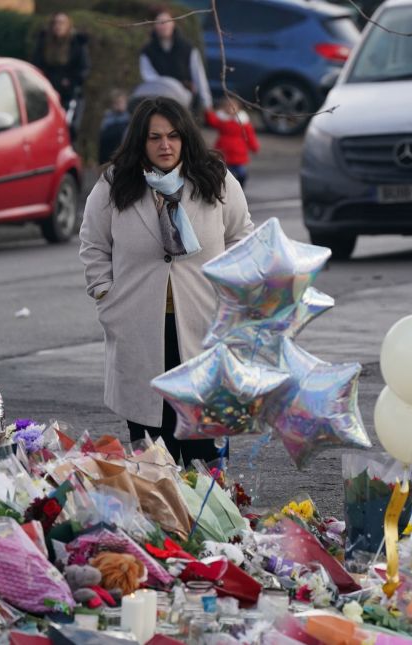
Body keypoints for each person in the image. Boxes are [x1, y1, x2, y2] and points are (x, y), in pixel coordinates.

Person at [80, 97, 253, 466]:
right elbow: (93, 244)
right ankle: (164, 519)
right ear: (140, 141)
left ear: (185, 137)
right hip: (141, 330)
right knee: (153, 457)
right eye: (155, 137)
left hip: (205, 327)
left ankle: (209, 520)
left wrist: (232, 294)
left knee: (205, 454)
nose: (165, 145)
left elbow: (242, 237)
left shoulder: (215, 178)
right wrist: (105, 295)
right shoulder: (114, 185)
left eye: (173, 136)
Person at [140, 7, 213, 114]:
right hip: (159, 101)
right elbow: (149, 77)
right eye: (159, 22)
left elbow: (199, 76)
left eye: (166, 22)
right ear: (154, 25)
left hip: (186, 102)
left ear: (173, 23)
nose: (163, 25)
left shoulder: (188, 48)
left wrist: (207, 104)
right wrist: (168, 88)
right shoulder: (147, 51)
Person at [33, 12, 90, 140]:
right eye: (55, 23)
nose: (58, 26)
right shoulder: (44, 43)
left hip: (69, 94)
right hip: (47, 91)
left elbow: (83, 68)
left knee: (68, 128)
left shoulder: (77, 44)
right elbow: (37, 65)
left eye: (62, 23)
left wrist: (71, 82)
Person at [206, 96, 260, 188]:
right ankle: (223, 188)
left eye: (232, 106)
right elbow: (212, 121)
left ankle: (240, 186)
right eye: (227, 106)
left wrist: (254, 147)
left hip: (238, 152)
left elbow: (250, 136)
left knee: (241, 172)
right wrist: (208, 111)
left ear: (238, 108)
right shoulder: (222, 120)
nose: (229, 108)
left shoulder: (243, 122)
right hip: (223, 151)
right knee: (223, 172)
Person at [99, 89, 131, 165]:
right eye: (116, 103)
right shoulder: (107, 119)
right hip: (107, 156)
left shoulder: (129, 119)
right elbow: (102, 139)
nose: (118, 105)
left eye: (121, 102)